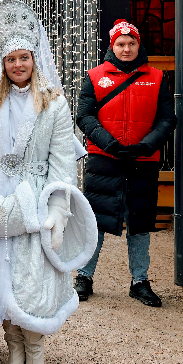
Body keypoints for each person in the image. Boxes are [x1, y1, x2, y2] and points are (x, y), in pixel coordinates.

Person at [0, 0, 97, 364]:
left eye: (24, 58)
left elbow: (62, 161)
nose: (18, 65)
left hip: (33, 199)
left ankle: (34, 349)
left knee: (29, 276)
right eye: (11, 59)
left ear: (34, 59)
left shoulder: (54, 104)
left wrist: (57, 210)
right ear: (4, 64)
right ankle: (15, 349)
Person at [74, 19, 175, 307]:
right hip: (105, 159)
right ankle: (84, 276)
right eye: (121, 44)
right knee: (96, 220)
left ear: (139, 45)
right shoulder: (95, 76)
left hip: (143, 160)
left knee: (140, 222)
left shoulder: (157, 77)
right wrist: (108, 143)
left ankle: (140, 281)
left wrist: (146, 145)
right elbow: (84, 116)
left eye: (131, 43)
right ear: (112, 45)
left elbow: (167, 119)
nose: (126, 48)